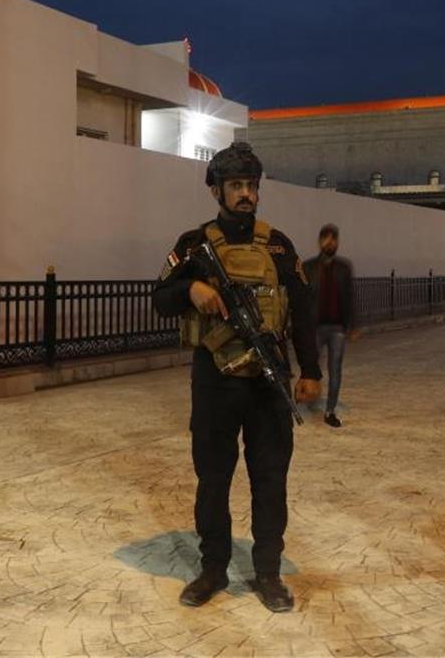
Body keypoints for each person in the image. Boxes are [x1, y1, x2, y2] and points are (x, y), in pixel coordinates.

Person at [151, 142, 322, 613]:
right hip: (215, 381)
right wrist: (192, 287)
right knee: (213, 479)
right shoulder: (192, 245)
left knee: (270, 479)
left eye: (251, 186)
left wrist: (310, 371)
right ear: (216, 191)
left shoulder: (279, 245)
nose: (246, 194)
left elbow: (304, 312)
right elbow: (159, 297)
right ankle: (212, 570)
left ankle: (267, 572)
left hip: (268, 380)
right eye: (235, 186)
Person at [303, 224, 361, 428]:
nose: (330, 243)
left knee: (335, 370)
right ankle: (310, 400)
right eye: (326, 239)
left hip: (337, 327)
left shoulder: (343, 268)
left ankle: (330, 410)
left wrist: (353, 325)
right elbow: (302, 299)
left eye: (333, 239)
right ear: (320, 241)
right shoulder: (309, 267)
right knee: (311, 367)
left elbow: (350, 297)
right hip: (315, 327)